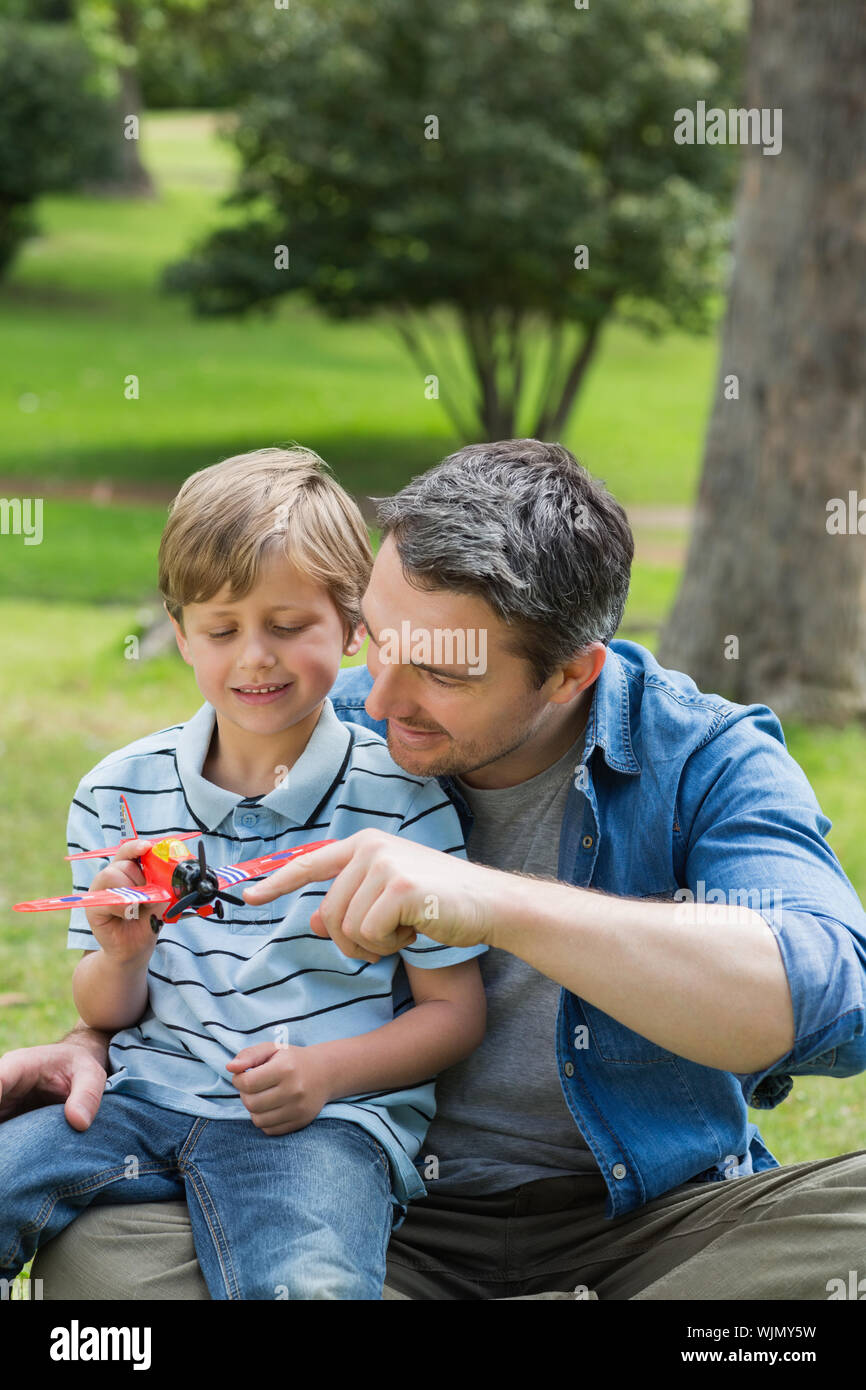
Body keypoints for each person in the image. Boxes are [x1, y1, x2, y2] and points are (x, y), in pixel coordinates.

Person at [6, 437, 866, 1300]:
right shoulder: (308, 724)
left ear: (571, 673)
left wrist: (494, 904)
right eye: (377, 640)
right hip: (382, 1221)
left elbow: (835, 999)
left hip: (652, 1231)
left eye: (442, 673)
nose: (375, 700)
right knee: (101, 1257)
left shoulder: (704, 757)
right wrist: (93, 1038)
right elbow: (192, 954)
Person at [0, 446, 487, 1301]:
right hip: (140, 1098)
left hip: (322, 1128)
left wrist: (329, 1077)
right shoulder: (119, 790)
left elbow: (454, 1016)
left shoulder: (405, 801)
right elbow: (103, 1013)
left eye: (288, 626)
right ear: (180, 632)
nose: (254, 657)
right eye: (222, 630)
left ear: (350, 626)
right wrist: (120, 956)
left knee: (307, 1286)